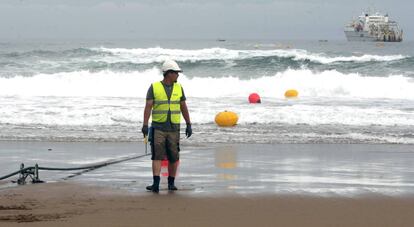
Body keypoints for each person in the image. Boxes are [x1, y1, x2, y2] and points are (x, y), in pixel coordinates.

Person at [141, 59, 192, 193]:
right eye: (176, 73)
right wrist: (145, 125)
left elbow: (183, 107)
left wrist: (188, 124)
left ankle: (171, 183)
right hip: (158, 127)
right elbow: (148, 107)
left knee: (174, 156)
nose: (178, 75)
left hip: (174, 128)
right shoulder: (154, 87)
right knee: (157, 156)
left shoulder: (179, 87)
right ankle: (156, 184)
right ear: (169, 73)